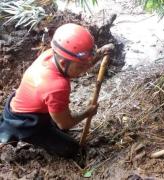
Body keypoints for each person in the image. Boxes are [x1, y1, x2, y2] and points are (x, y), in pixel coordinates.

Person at [0, 23, 114, 158]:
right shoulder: (56, 86)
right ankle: (28, 135)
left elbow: (81, 62)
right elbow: (65, 123)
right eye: (81, 67)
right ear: (64, 63)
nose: (85, 70)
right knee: (72, 149)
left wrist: (100, 53)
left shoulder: (53, 55)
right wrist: (87, 112)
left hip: (27, 105)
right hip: (25, 122)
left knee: (61, 125)